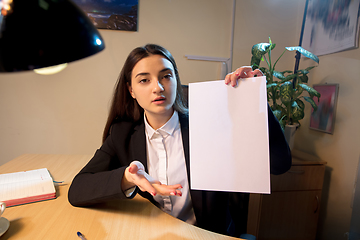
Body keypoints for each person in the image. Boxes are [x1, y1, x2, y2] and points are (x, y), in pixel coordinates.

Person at [68, 44, 292, 237]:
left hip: (205, 236)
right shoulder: (122, 134)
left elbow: (280, 164)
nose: (158, 87)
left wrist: (255, 101)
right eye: (144, 80)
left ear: (176, 80)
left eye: (166, 76)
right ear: (131, 90)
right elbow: (77, 190)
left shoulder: (208, 125)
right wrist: (128, 178)